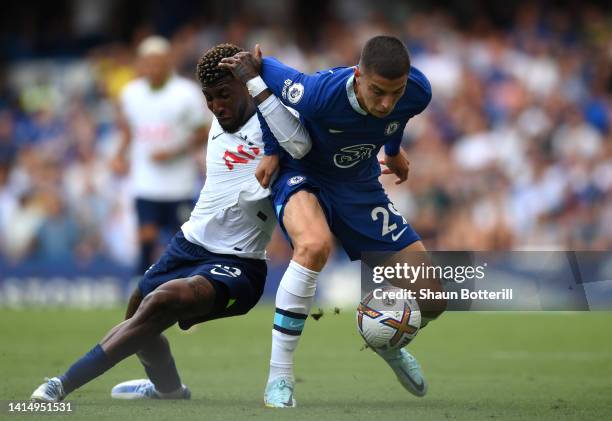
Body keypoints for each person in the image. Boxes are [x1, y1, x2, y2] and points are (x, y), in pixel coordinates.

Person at [30, 43, 311, 402]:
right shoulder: (218, 118)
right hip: (188, 245)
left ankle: (61, 384)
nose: (216, 106)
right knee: (139, 313)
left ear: (246, 85)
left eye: (223, 95)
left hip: (239, 263)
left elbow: (301, 135)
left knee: (163, 300)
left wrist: (258, 77)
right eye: (209, 99)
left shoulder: (275, 124)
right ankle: (169, 390)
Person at [219, 35, 447, 408]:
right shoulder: (317, 94)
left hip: (359, 184)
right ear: (358, 76)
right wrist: (274, 150)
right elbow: (258, 79)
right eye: (377, 92)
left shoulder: (418, 92)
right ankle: (279, 376)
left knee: (433, 298)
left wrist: (392, 150)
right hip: (302, 172)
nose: (387, 102)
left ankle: (383, 336)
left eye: (396, 92)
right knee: (313, 246)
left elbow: (398, 115)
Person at [110, 35, 211, 276]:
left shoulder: (187, 93)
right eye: (147, 62)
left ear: (168, 62)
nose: (152, 68)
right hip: (146, 181)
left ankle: (185, 284)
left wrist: (174, 152)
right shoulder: (131, 94)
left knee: (182, 238)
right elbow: (128, 129)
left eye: (157, 62)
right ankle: (140, 286)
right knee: (146, 235)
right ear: (141, 64)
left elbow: (203, 132)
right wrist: (119, 155)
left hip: (180, 183)